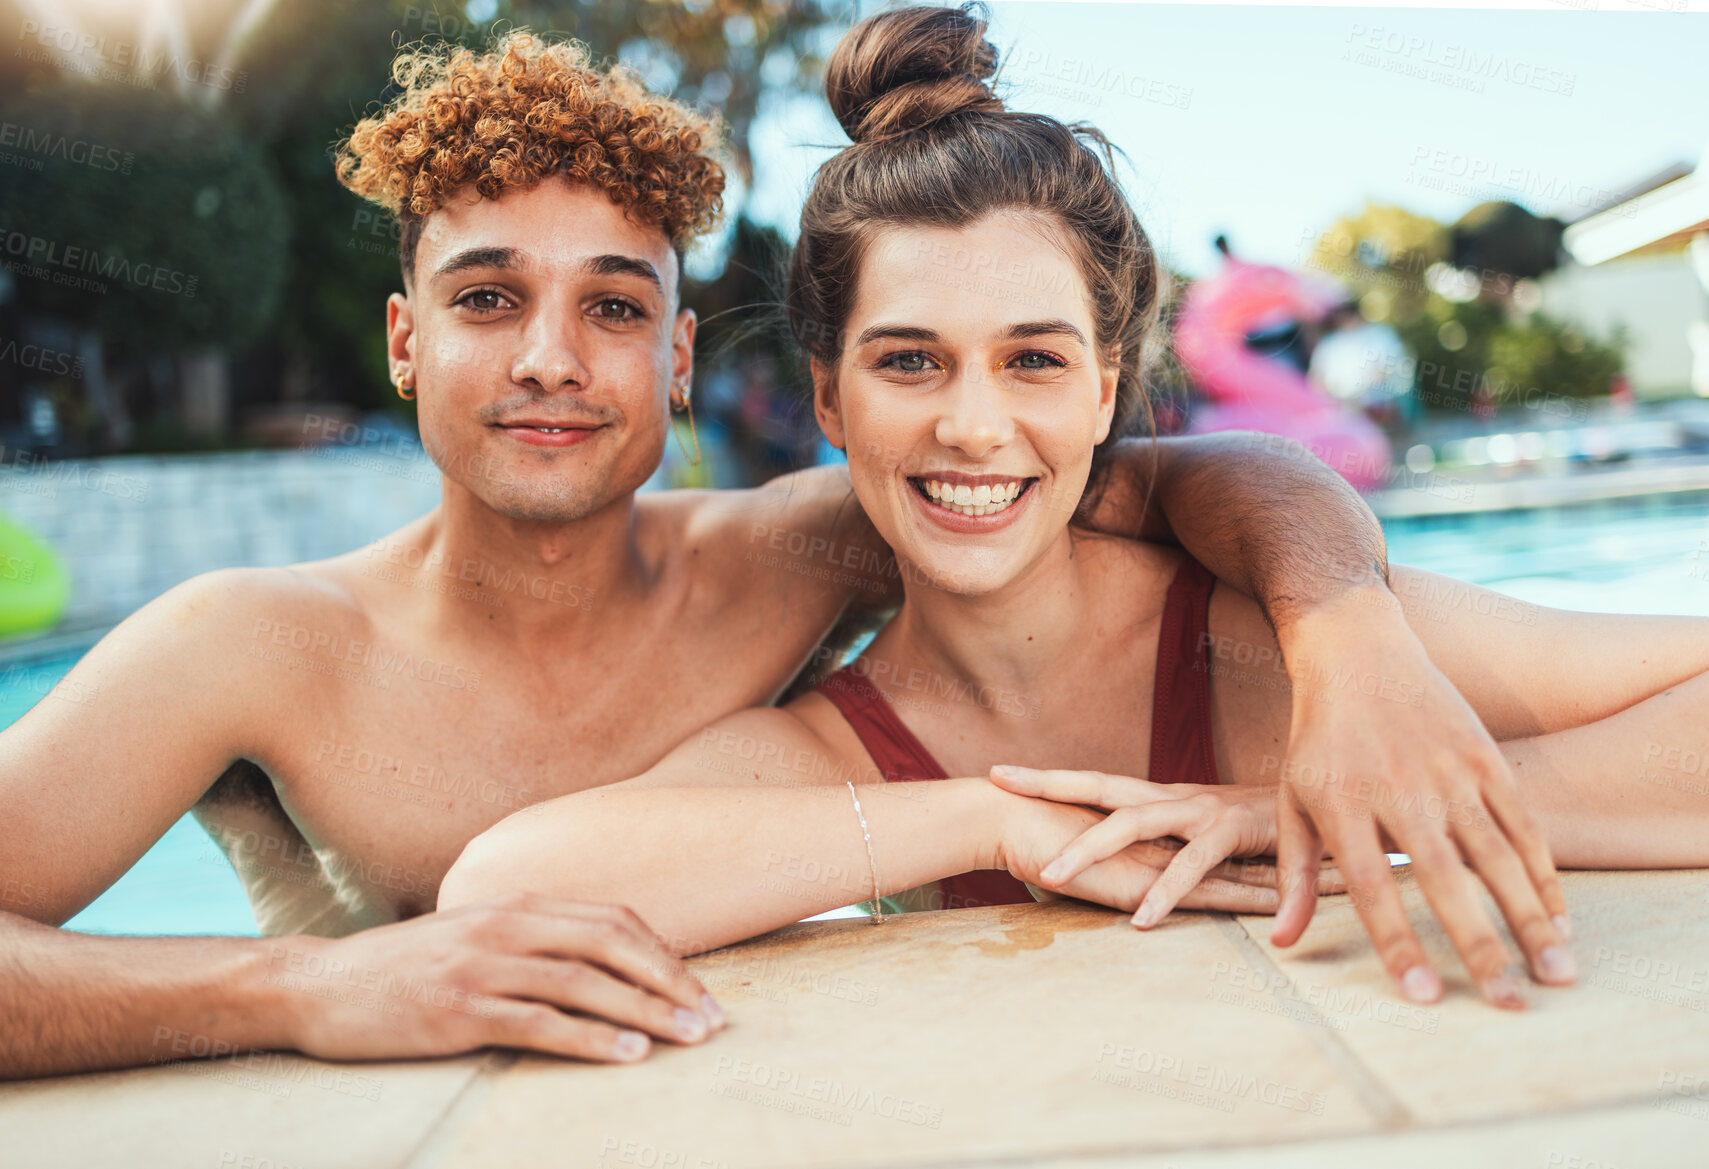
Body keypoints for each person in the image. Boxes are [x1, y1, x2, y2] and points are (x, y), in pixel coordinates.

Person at [0, 31, 1438, 1079]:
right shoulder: (252, 643)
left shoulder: (803, 549)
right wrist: (300, 988)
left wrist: (1345, 639)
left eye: (616, 311)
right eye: (488, 298)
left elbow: (1194, 477)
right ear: (404, 341)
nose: (552, 361)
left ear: (680, 358)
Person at [437, 4, 1709, 1014]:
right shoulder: (843, 754)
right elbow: (499, 892)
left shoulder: (1267, 646)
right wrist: (993, 818)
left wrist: (1337, 805)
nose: (974, 425)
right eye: (908, 360)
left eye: (1032, 360)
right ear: (829, 398)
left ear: (1106, 388)